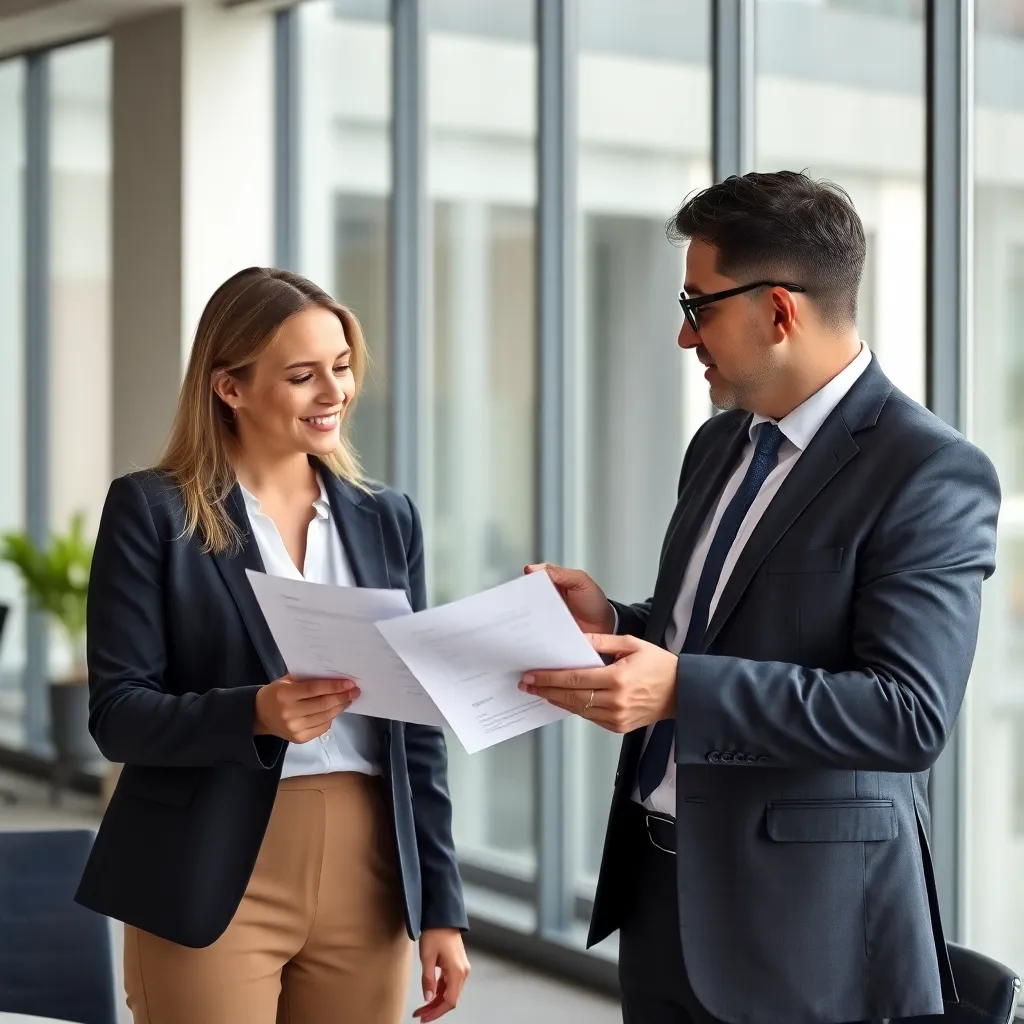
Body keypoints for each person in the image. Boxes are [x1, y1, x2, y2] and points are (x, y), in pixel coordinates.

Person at [519, 171, 1001, 1024]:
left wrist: (677, 689)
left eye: (698, 305)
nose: (683, 334)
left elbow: (907, 715)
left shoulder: (928, 472)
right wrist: (616, 624)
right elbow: (718, 634)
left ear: (779, 312)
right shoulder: (718, 445)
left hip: (804, 929)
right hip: (662, 895)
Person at [75, 267, 470, 1024]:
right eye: (302, 375)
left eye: (343, 366)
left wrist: (442, 908)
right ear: (230, 387)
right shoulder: (152, 512)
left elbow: (414, 730)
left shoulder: (386, 516)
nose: (335, 393)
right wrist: (254, 712)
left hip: (370, 868)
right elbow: (118, 714)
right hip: (208, 859)